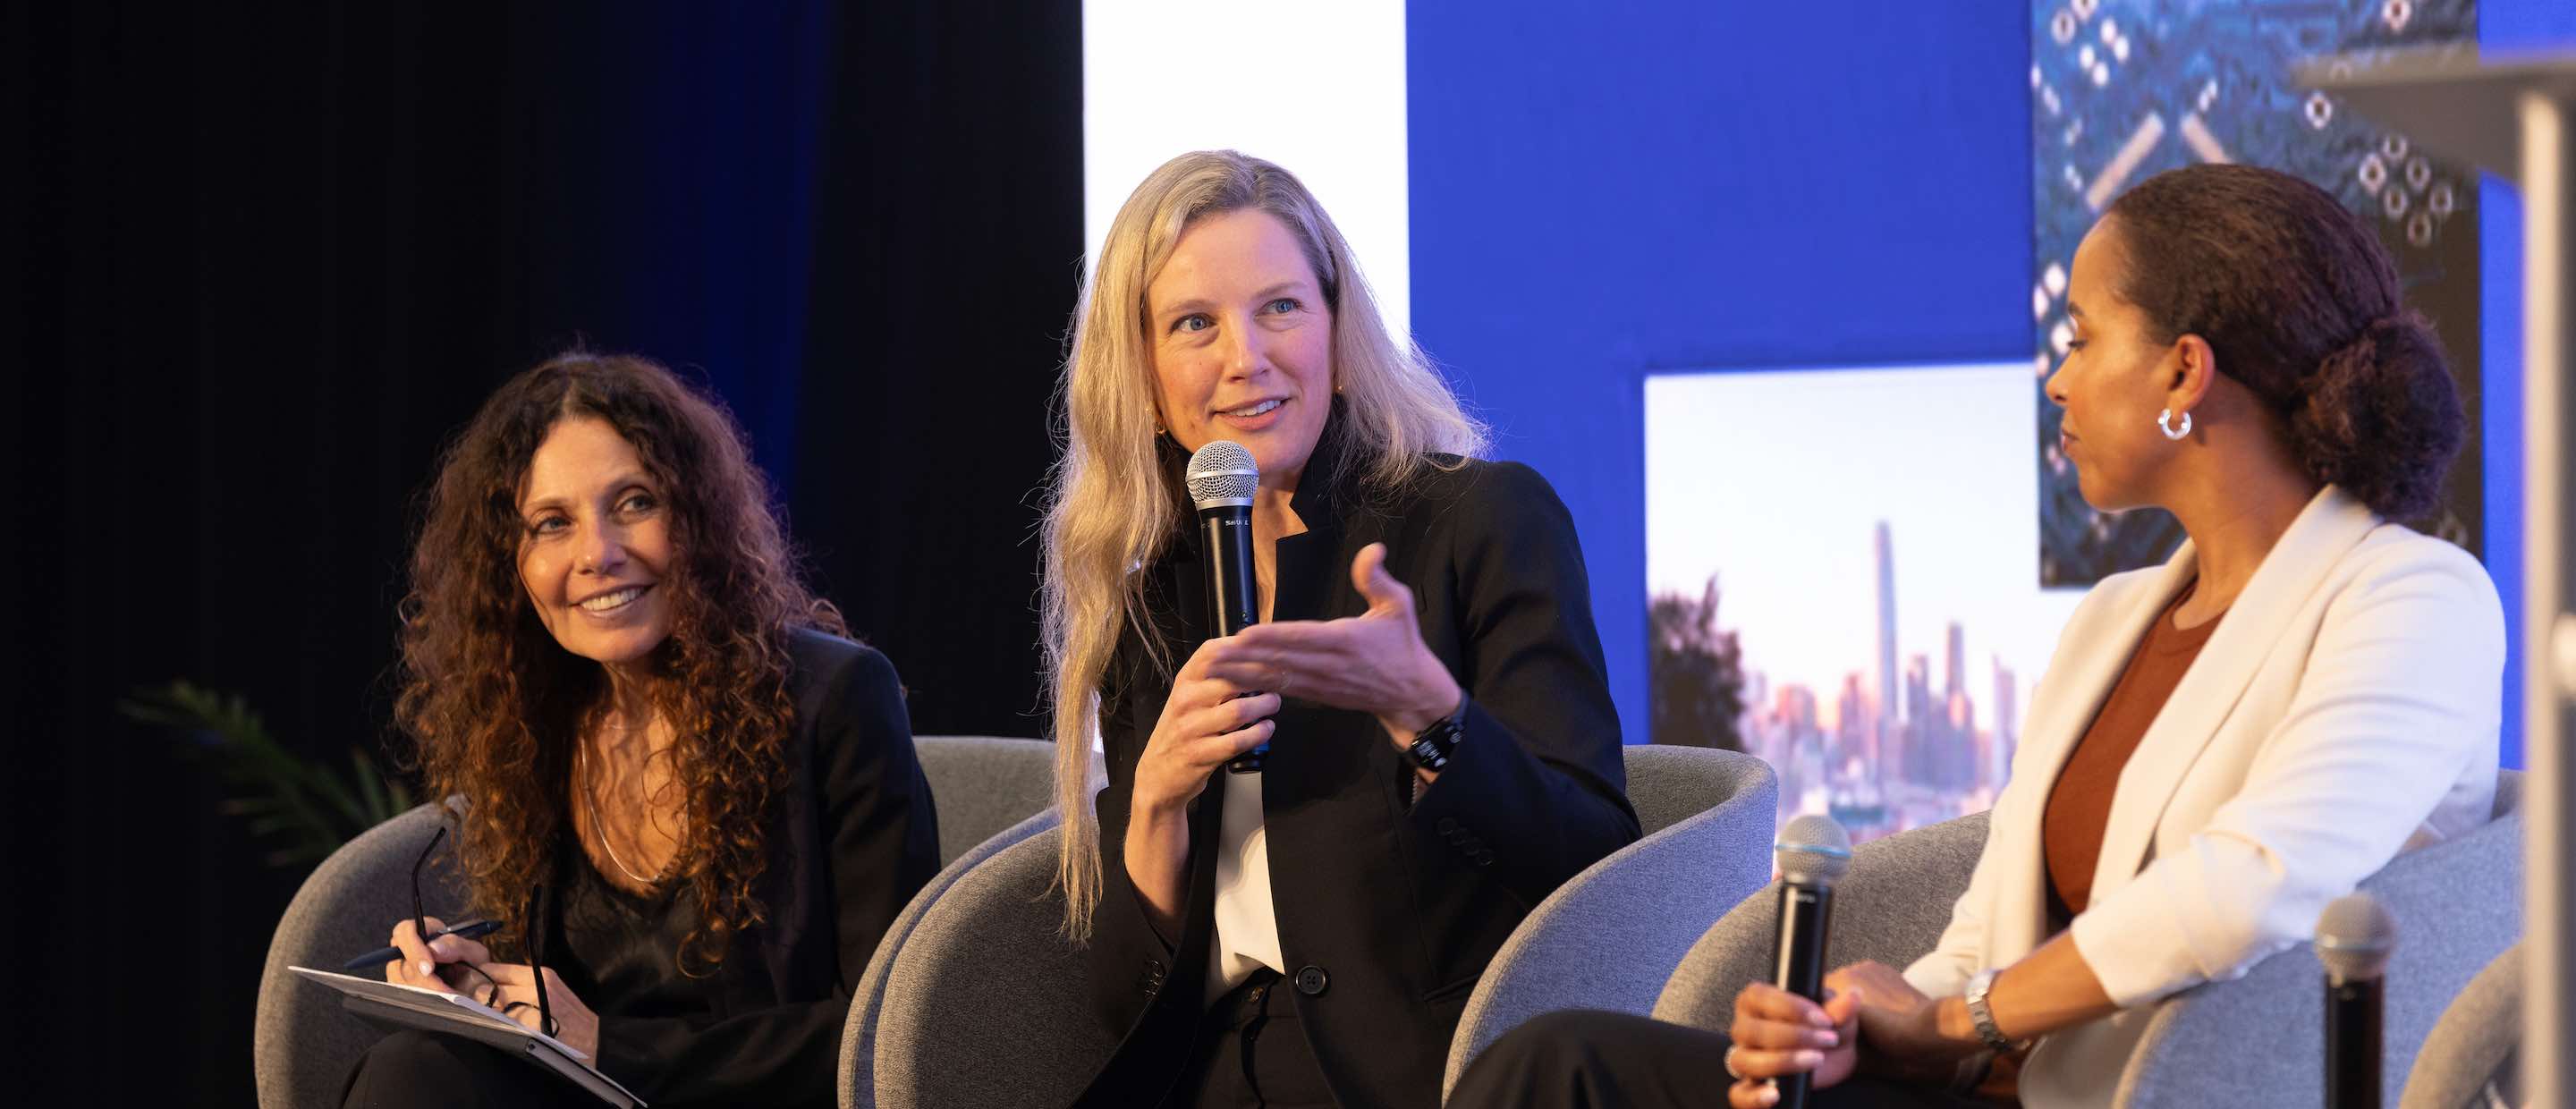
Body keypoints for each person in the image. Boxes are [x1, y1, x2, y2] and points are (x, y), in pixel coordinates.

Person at [1452, 162, 2504, 1108]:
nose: (2058, 378)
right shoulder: (2114, 619)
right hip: (1984, 1089)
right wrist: (1869, 1025)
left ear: (2185, 373)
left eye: (2082, 338)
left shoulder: (2413, 598)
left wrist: (1959, 1020)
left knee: (1563, 1071)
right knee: (1559, 1060)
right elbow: (1988, 933)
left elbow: (2257, 883)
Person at [1038, 149, 1640, 1109]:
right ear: (1144, 377)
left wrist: (1432, 717)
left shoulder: (1481, 523)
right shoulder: (1151, 609)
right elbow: (1120, 1007)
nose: (1246, 357)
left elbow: (1598, 873)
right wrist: (1154, 802)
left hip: (1426, 1078)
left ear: (1337, 332)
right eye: (1194, 324)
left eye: (1280, 307)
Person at [341, 352, 940, 1108]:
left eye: (634, 503)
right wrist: (484, 992)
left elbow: (894, 1025)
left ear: (697, 519)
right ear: (509, 567)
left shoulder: (836, 700)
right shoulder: (534, 727)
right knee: (415, 1066)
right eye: (552, 524)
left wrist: (608, 1046)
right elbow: (561, 1019)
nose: (598, 553)